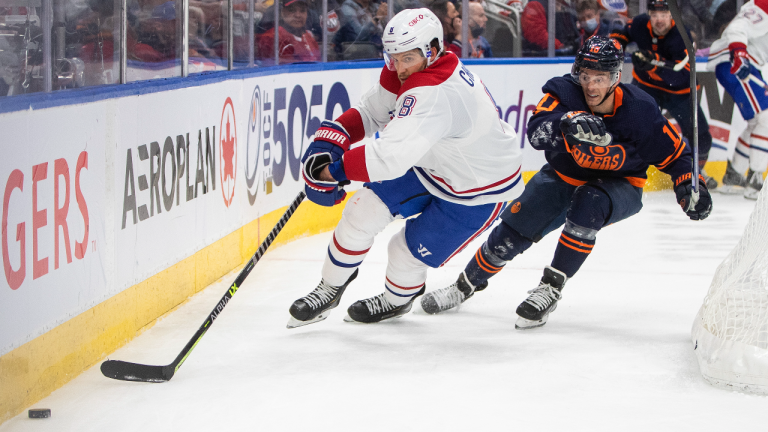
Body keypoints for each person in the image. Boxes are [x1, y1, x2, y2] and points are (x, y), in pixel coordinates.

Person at [419, 36, 712, 329]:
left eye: (601, 78)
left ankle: (550, 287)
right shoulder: (563, 93)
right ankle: (464, 286)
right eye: (586, 76)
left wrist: (689, 186)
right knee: (510, 234)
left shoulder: (640, 110)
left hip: (620, 184)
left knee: (589, 201)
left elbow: (676, 156)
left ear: (616, 77)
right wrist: (565, 123)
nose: (592, 86)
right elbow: (535, 133)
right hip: (562, 176)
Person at [286, 8, 524, 328]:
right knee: (361, 211)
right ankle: (329, 289)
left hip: (477, 188)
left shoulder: (434, 92)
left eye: (407, 58)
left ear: (434, 49)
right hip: (433, 163)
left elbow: (388, 158)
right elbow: (372, 111)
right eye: (393, 57)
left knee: (403, 252)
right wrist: (333, 134)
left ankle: (396, 302)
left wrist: (329, 172)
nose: (398, 67)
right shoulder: (411, 67)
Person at [610, 0, 715, 189]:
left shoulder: (683, 35)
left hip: (679, 93)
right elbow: (624, 32)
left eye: (664, 15)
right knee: (633, 126)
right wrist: (615, 49)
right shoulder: (641, 23)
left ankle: (695, 172)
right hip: (646, 87)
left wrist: (654, 64)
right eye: (655, 15)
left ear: (672, 16)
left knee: (702, 137)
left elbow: (682, 75)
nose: (659, 20)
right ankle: (626, 170)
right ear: (650, 15)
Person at [706, 0, 768, 199]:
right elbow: (738, 26)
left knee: (756, 121)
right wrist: (739, 53)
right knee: (766, 118)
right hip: (734, 61)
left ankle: (734, 175)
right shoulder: (764, 4)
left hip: (748, 65)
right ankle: (757, 180)